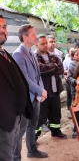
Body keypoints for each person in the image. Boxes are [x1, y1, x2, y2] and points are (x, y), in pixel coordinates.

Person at [0, 15, 33, 161]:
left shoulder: (4, 53)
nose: (3, 30)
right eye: (0, 27)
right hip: (3, 120)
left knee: (12, 152)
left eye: (4, 27)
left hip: (16, 116)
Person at [13, 24, 48, 159]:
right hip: (25, 99)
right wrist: (40, 91)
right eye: (33, 35)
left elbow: (37, 75)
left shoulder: (32, 53)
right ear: (25, 37)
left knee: (32, 125)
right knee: (20, 131)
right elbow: (25, 79)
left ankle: (32, 150)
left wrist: (41, 91)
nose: (36, 37)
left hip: (35, 97)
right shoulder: (18, 54)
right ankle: (16, 157)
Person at [35, 35, 67, 140]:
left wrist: (48, 68)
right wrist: (53, 67)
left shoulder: (54, 56)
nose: (45, 45)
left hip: (55, 91)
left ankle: (56, 132)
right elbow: (40, 70)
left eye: (46, 43)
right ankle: (34, 137)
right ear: (36, 45)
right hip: (43, 92)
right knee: (40, 115)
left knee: (56, 113)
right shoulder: (35, 57)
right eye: (42, 43)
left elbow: (61, 70)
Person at [63, 47, 74, 119]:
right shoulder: (66, 61)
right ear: (68, 52)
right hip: (69, 80)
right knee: (69, 96)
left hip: (76, 80)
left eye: (73, 51)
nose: (72, 52)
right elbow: (63, 71)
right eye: (70, 51)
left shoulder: (78, 59)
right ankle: (69, 111)